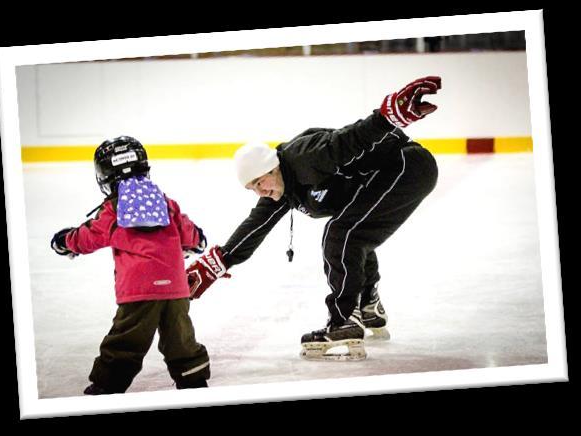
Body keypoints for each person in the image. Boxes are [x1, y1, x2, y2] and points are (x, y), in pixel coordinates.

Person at [185, 77, 441, 361]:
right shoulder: (281, 188)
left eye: (260, 182)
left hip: (407, 166)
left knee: (343, 234)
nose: (261, 192)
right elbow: (254, 227)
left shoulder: (304, 158)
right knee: (351, 233)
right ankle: (368, 307)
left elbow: (350, 139)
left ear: (272, 167)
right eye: (253, 188)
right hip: (389, 175)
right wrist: (216, 264)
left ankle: (344, 320)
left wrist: (389, 116)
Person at [50, 136, 210, 393]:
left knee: (127, 340)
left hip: (139, 290)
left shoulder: (114, 208)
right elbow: (189, 232)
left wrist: (65, 242)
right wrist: (197, 240)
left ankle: (107, 387)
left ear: (104, 176)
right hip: (175, 289)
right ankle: (193, 380)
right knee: (180, 339)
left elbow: (88, 236)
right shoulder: (165, 202)